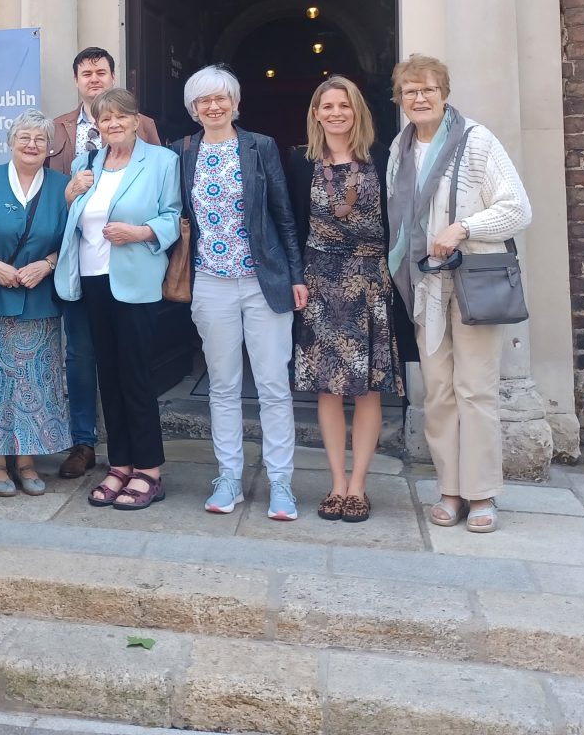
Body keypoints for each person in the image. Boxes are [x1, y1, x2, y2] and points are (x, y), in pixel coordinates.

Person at [385, 54, 531, 535]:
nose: (419, 98)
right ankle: (450, 489)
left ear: (444, 93)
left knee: (476, 390)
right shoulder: (399, 148)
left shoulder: (477, 141)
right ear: (400, 100)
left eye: (427, 89)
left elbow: (517, 209)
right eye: (410, 92)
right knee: (440, 393)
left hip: (472, 284)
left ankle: (482, 493)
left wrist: (463, 227)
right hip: (426, 287)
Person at [171, 66, 307, 521]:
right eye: (203, 100)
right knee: (223, 385)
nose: (213, 106)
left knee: (272, 384)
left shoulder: (261, 146)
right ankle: (229, 476)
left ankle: (281, 482)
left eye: (221, 98)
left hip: (262, 280)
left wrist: (295, 275)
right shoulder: (182, 151)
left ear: (234, 101)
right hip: (210, 282)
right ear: (193, 108)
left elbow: (284, 214)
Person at [286, 75, 411, 524]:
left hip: (370, 281)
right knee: (327, 388)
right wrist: (294, 277)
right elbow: (291, 224)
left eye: (344, 105)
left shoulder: (383, 157)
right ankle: (336, 483)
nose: (336, 113)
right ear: (316, 114)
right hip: (319, 282)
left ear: (357, 111)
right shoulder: (299, 162)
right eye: (327, 106)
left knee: (368, 390)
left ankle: (359, 486)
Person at [55, 88, 180, 511]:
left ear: (134, 118)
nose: (112, 125)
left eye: (119, 117)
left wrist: (140, 233)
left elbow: (172, 218)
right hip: (92, 280)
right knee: (107, 374)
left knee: (136, 375)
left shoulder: (162, 161)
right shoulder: (86, 164)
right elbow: (72, 220)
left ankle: (149, 470)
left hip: (135, 280)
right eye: (103, 119)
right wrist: (71, 194)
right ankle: (120, 463)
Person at [47, 47, 162, 481]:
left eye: (102, 72)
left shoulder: (145, 127)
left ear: (114, 76)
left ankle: (135, 455)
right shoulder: (57, 129)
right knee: (79, 353)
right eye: (86, 73)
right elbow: (51, 196)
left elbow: (157, 184)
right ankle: (83, 441)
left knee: (128, 360)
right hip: (78, 261)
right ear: (76, 80)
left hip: (131, 264)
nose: (94, 79)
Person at [0, 109, 71, 495]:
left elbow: (74, 239)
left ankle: (27, 461)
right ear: (10, 142)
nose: (32, 145)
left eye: (40, 139)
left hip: (40, 299)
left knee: (35, 384)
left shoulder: (62, 186)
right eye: (24, 137)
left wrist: (47, 264)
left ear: (51, 147)